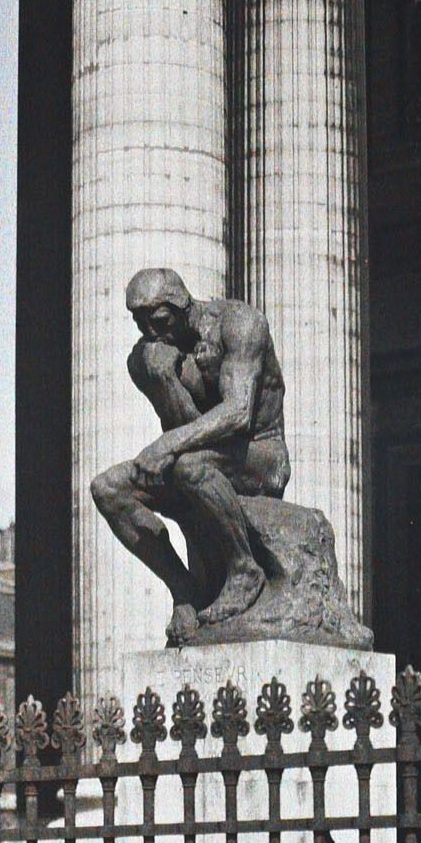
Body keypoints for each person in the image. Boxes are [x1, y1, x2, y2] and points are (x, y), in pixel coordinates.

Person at [89, 268, 291, 645]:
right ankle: (184, 591)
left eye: (160, 321)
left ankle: (245, 571)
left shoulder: (239, 324)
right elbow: (186, 424)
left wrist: (167, 445)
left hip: (260, 454)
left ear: (182, 305)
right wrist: (163, 380)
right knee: (108, 488)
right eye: (141, 323)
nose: (152, 332)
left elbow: (238, 413)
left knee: (188, 464)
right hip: (206, 459)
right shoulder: (153, 356)